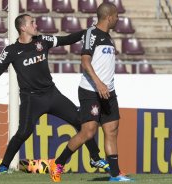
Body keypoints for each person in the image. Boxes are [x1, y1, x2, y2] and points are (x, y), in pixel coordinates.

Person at [0, 14, 110, 174]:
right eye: (32, 22)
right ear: (23, 28)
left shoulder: (43, 41)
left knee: (81, 122)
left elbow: (68, 39)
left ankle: (95, 158)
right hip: (31, 99)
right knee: (23, 133)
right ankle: (3, 167)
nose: (36, 25)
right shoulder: (11, 51)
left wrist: (90, 31)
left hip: (52, 94)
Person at [49, 3, 133, 182]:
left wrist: (106, 86)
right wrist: (99, 83)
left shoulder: (108, 37)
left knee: (112, 130)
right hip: (91, 91)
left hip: (107, 91)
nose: (118, 19)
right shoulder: (91, 34)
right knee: (88, 132)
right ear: (109, 17)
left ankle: (115, 175)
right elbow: (85, 61)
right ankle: (58, 163)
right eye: (116, 16)